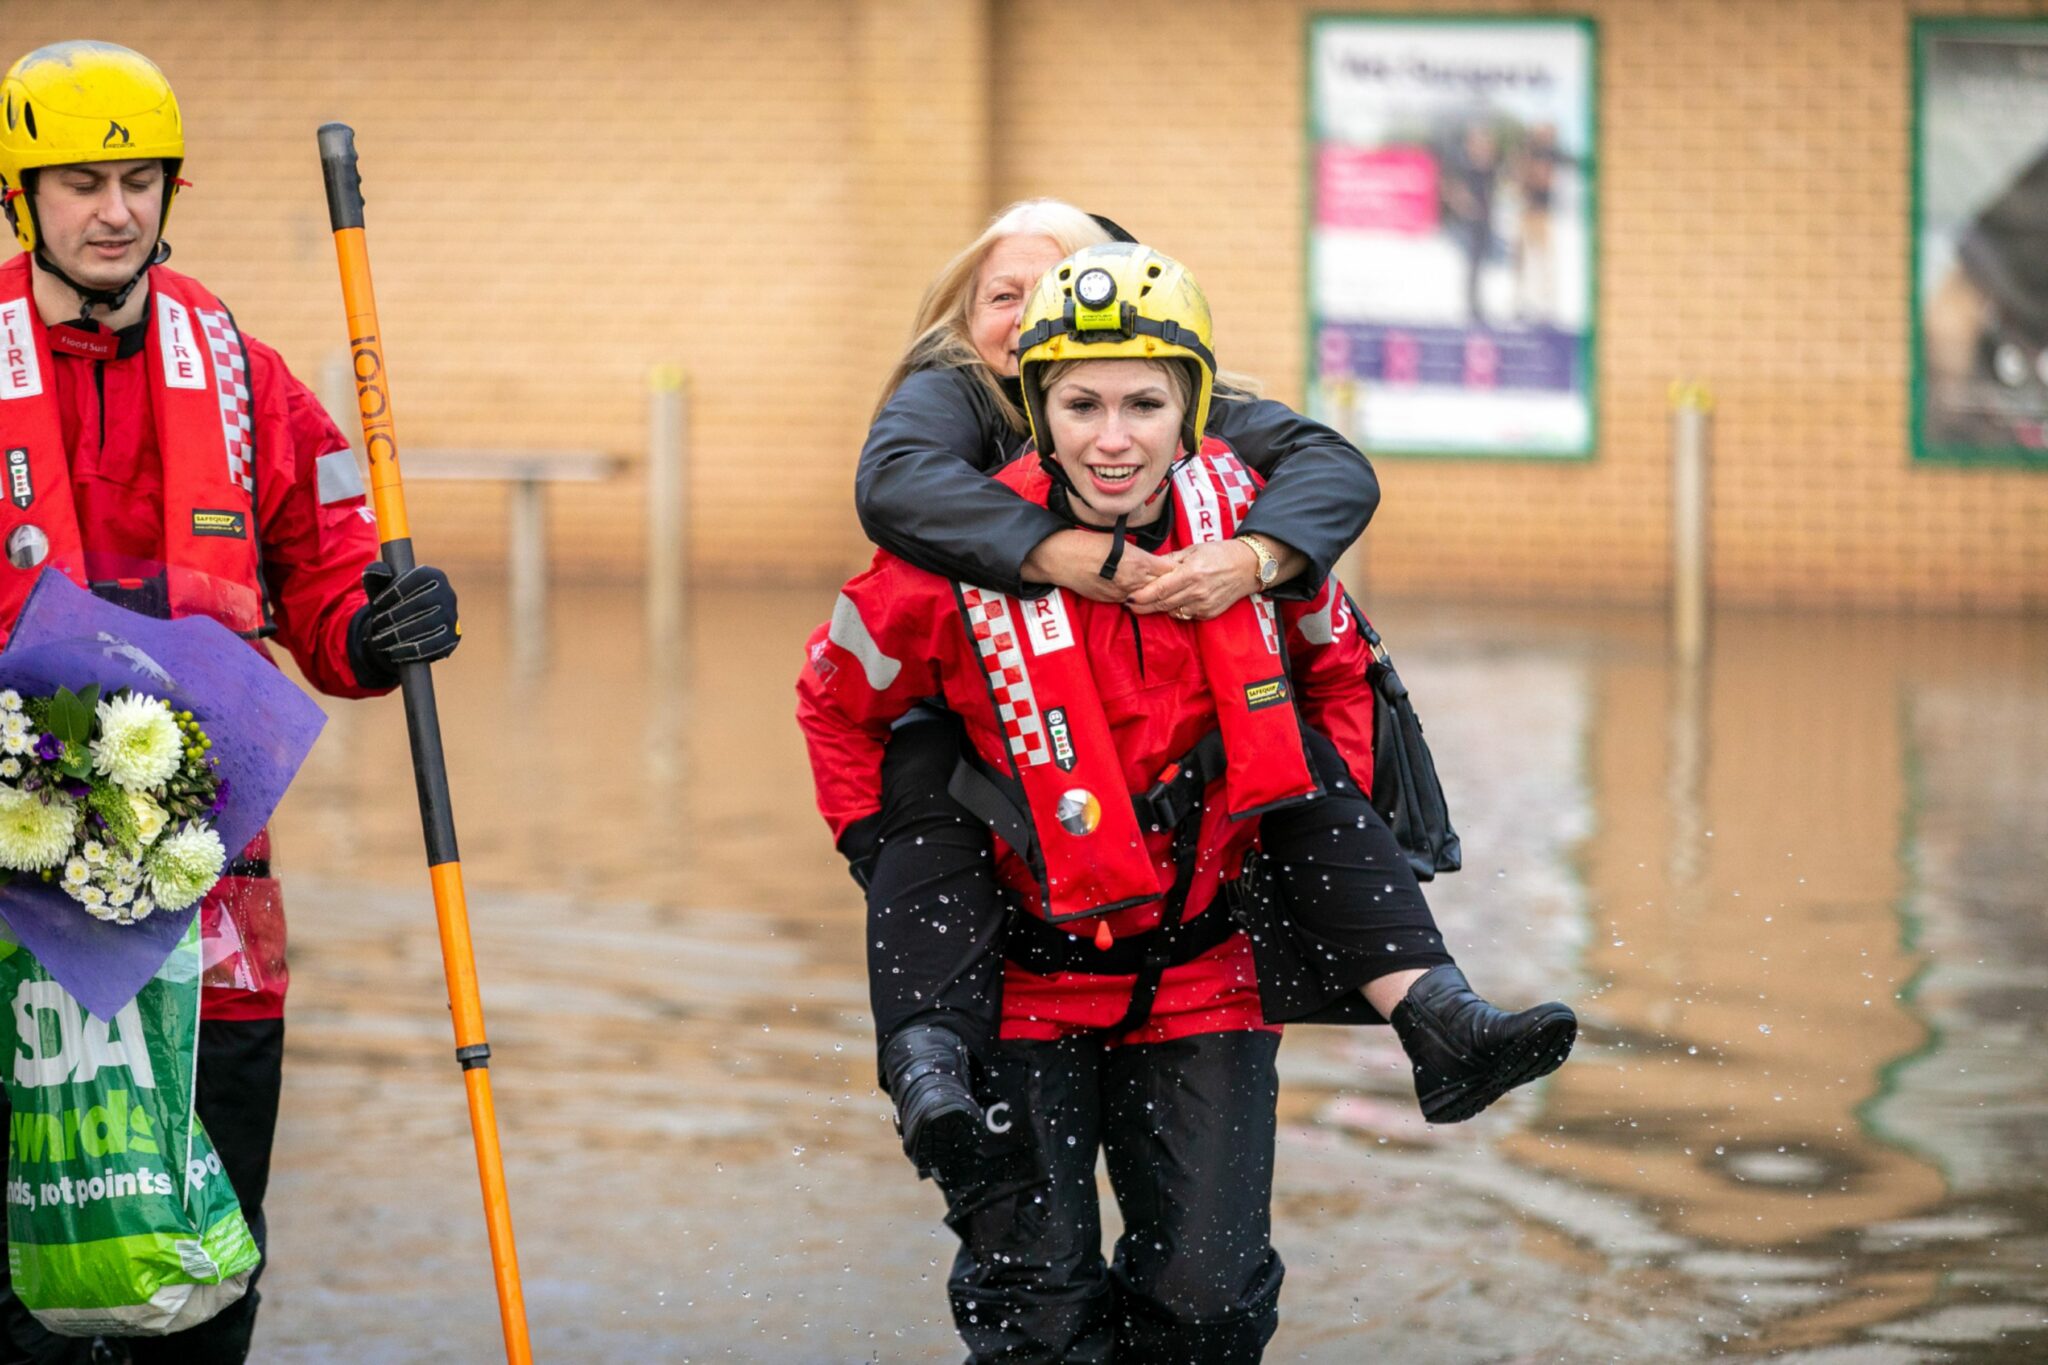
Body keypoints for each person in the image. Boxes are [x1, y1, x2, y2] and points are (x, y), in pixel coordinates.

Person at [801, 243, 1576, 1360]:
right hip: (1020, 986)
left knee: (1210, 1305)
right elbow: (837, 703)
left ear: (1193, 414)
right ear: (1037, 411)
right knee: (1035, 1313)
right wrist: (889, 859)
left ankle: (1437, 1014)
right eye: (1080, 405)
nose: (1111, 438)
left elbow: (1336, 675)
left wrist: (1312, 843)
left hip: (1202, 978)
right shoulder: (938, 562)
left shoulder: (1257, 533)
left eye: (1143, 405)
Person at [0, 42, 461, 1363]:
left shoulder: (245, 377)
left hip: (214, 925)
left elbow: (328, 580)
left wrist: (377, 625)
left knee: (209, 1289)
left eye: (138, 182)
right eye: (80, 183)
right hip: (14, 916)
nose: (114, 212)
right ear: (20, 198)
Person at [852, 199, 1392, 1171]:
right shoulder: (950, 392)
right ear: (962, 318)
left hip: (1182, 907)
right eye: (1004, 296)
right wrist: (1056, 550)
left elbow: (1331, 469)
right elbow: (890, 485)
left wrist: (1255, 555)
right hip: (1006, 812)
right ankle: (928, 1052)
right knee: (926, 783)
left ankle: (1421, 998)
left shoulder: (1160, 394)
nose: (1033, 315)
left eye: (1053, 287)